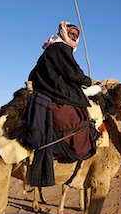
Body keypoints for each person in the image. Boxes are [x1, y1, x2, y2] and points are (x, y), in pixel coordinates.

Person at [27, 21, 101, 186]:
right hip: (55, 92)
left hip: (49, 89)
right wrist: (89, 81)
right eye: (71, 33)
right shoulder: (60, 48)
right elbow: (73, 73)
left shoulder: (52, 48)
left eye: (76, 35)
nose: (74, 37)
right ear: (64, 32)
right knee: (80, 118)